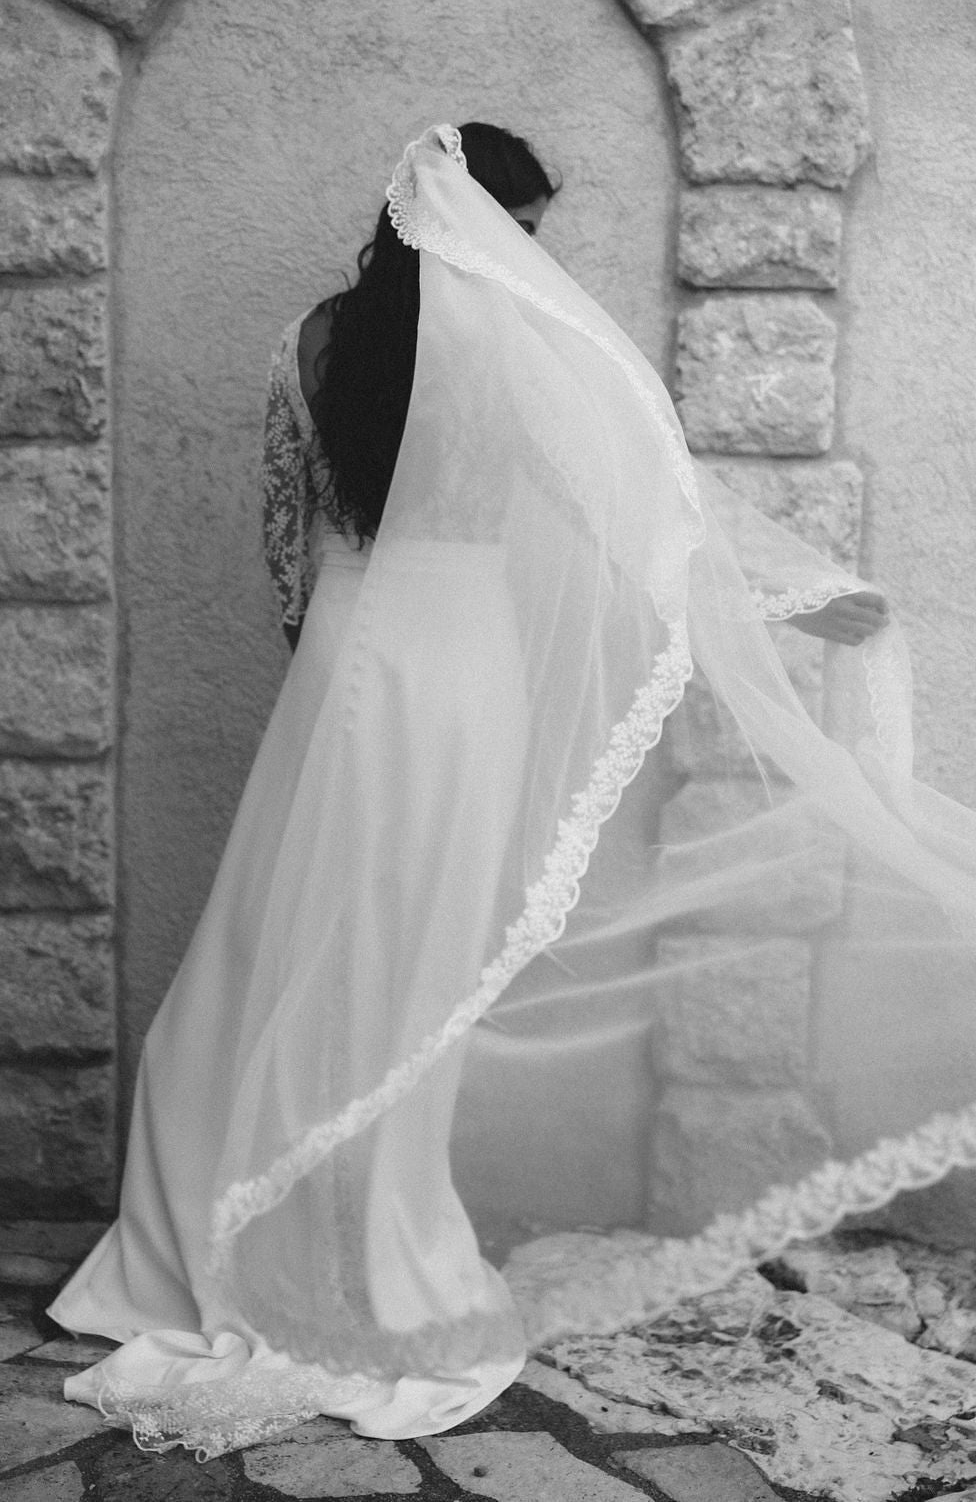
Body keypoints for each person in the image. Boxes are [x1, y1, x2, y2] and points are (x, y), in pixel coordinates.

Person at [49, 123, 976, 1460]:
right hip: (462, 670)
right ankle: (369, 1250)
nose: (532, 254)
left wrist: (339, 674)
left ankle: (213, 1234)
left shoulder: (308, 342)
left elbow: (287, 558)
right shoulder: (513, 351)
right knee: (416, 968)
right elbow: (635, 510)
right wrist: (794, 600)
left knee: (286, 952)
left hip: (346, 665)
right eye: (524, 228)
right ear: (483, 223)